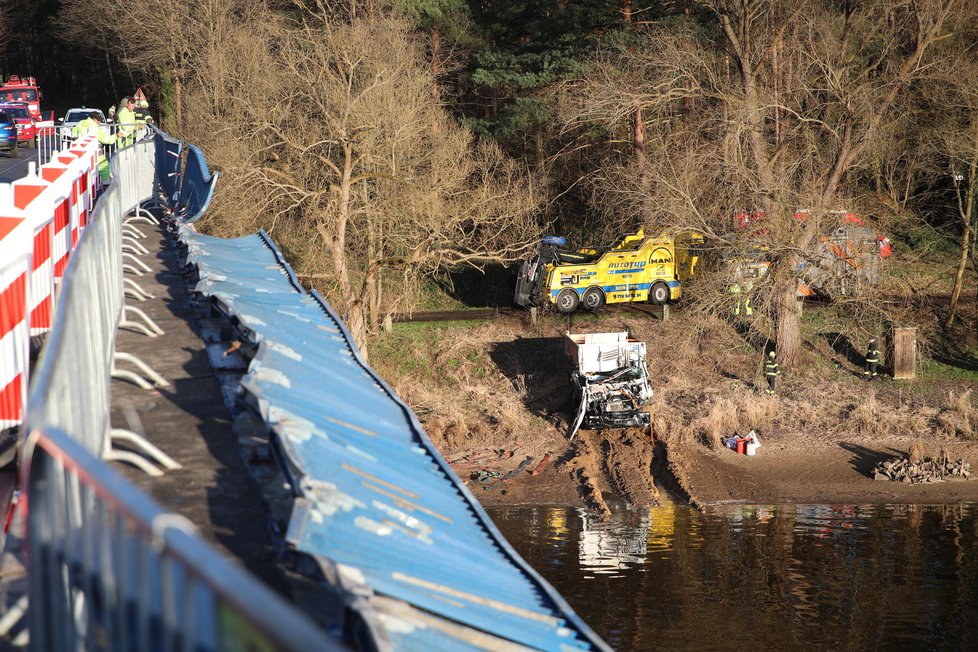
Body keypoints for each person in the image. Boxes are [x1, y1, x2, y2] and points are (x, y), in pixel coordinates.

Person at [72, 112, 116, 183]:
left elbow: (74, 134)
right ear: (94, 119)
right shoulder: (95, 128)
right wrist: (116, 136)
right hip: (94, 151)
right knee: (104, 166)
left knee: (85, 170)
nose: (100, 122)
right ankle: (106, 184)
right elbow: (108, 140)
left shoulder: (81, 123)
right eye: (99, 120)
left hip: (81, 151)